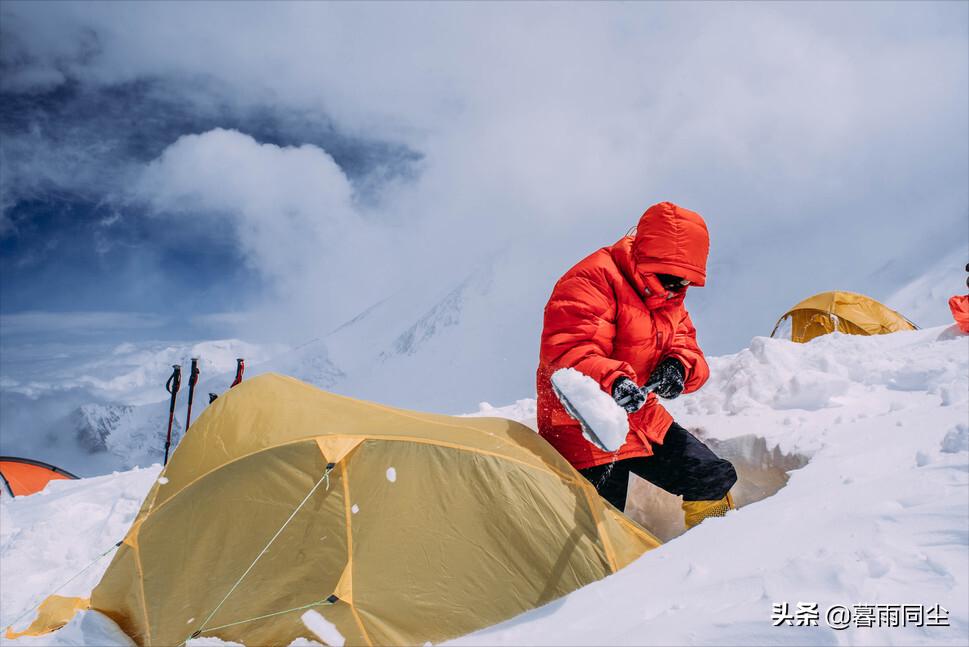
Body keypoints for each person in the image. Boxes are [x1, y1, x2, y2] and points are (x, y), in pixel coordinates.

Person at [536, 201, 737, 529]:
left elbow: (687, 347)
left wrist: (678, 367)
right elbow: (568, 353)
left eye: (685, 282)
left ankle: (712, 562)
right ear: (644, 258)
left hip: (641, 417)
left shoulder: (669, 297)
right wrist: (615, 382)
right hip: (585, 427)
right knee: (597, 532)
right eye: (670, 279)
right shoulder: (590, 281)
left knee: (711, 478)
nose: (676, 290)